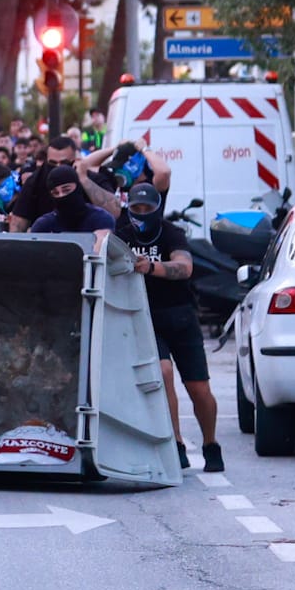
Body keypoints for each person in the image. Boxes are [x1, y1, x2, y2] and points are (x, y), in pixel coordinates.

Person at [116, 183, 220, 473]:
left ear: (157, 208)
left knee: (198, 388)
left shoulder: (172, 233)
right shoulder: (121, 234)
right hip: (146, 319)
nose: (141, 214)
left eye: (147, 208)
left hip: (181, 317)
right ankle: (176, 443)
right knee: (162, 373)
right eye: (136, 208)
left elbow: (184, 267)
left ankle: (211, 443)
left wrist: (151, 267)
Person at [28, 165, 117, 234]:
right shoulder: (44, 225)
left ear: (78, 187)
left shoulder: (100, 218)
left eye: (66, 190)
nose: (61, 196)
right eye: (56, 193)